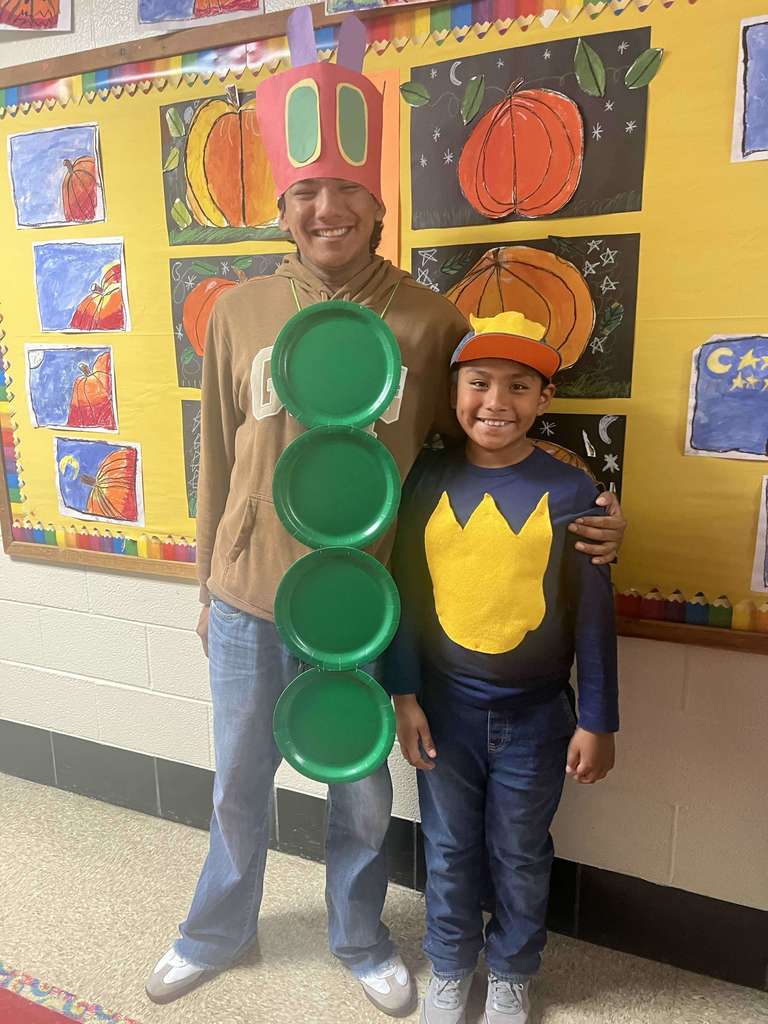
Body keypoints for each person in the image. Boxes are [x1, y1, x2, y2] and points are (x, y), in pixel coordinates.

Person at [145, 10, 626, 1017]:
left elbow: (480, 449)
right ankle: (212, 931)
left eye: (348, 192)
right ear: (285, 207)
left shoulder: (429, 318)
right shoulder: (235, 311)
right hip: (249, 596)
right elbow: (221, 459)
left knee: (363, 791)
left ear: (377, 205)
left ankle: (360, 936)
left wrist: (589, 507)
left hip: (366, 603)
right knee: (239, 778)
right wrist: (203, 583)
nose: (329, 207)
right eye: (309, 191)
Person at [384, 312, 619, 1024]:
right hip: (444, 713)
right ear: (454, 391)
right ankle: (451, 967)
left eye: (519, 387)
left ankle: (513, 971)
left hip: (538, 718)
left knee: (519, 853)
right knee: (450, 849)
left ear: (544, 400)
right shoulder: (424, 478)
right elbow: (403, 591)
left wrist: (598, 721)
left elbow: (593, 615)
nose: (496, 402)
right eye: (479, 383)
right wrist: (403, 694)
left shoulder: (572, 493)